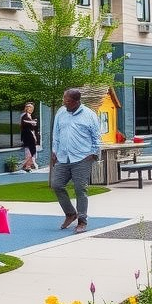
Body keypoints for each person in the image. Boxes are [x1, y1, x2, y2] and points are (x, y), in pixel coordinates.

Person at [49, 88, 102, 234]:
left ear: (76, 101)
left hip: (82, 158)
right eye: (64, 100)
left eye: (67, 101)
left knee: (80, 189)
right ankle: (70, 214)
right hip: (63, 156)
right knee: (57, 185)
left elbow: (96, 137)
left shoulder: (89, 115)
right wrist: (54, 151)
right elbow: (56, 133)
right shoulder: (61, 112)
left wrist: (94, 154)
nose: (64, 103)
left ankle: (82, 221)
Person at [20, 102, 40, 172]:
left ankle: (28, 165)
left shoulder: (29, 116)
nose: (31, 109)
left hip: (31, 136)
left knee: (32, 151)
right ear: (26, 108)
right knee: (30, 151)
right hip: (27, 136)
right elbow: (25, 123)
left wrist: (33, 122)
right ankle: (25, 165)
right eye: (30, 108)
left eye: (32, 108)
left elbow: (33, 126)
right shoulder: (24, 116)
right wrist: (32, 122)